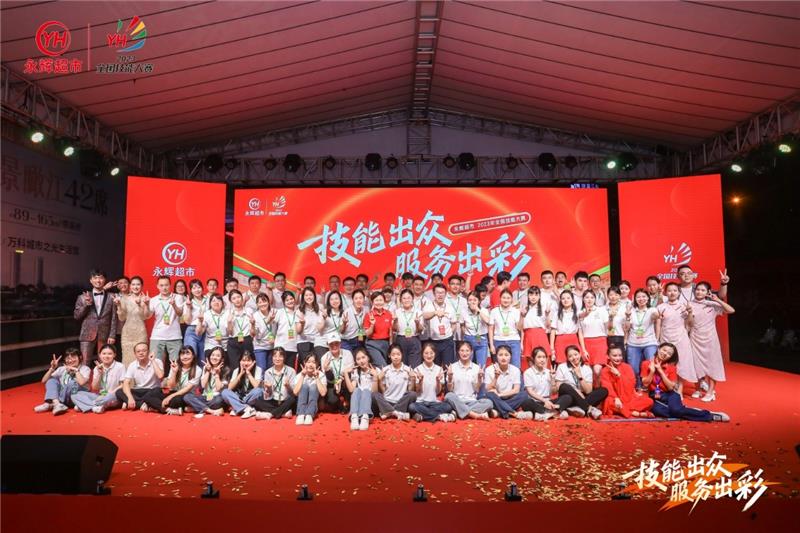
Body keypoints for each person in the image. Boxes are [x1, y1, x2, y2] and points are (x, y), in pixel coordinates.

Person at [642, 343, 729, 422]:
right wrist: (652, 371)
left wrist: (660, 371)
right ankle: (687, 410)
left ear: (670, 357)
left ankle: (710, 415)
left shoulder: (671, 367)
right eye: (664, 350)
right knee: (661, 411)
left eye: (669, 353)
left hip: (670, 394)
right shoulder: (646, 364)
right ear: (658, 349)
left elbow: (670, 387)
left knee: (676, 411)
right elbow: (645, 384)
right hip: (654, 395)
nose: (665, 354)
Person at [688, 282, 735, 402]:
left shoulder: (712, 304)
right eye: (698, 289)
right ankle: (698, 389)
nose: (699, 292)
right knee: (696, 365)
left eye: (703, 290)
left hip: (710, 339)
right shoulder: (689, 304)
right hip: (695, 338)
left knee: (712, 365)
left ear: (707, 292)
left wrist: (718, 300)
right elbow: (689, 323)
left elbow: (731, 310)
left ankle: (710, 392)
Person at [74, 269, 118, 364]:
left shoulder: (112, 296)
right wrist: (86, 305)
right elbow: (77, 316)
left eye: (101, 278)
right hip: (87, 334)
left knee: (105, 362)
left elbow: (114, 317)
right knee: (85, 361)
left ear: (105, 280)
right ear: (91, 280)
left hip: (105, 334)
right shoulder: (82, 297)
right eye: (95, 278)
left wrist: (112, 335)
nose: (98, 280)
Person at [656, 283, 694, 393]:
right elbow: (658, 325)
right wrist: (657, 339)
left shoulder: (684, 306)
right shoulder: (660, 307)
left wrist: (690, 312)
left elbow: (690, 323)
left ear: (679, 292)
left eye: (675, 290)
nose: (672, 293)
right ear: (665, 293)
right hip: (666, 338)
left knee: (681, 363)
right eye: (669, 291)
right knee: (667, 363)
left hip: (681, 338)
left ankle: (680, 389)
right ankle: (668, 387)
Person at [553, 345, 608, 419]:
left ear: (580, 354)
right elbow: (559, 386)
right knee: (564, 386)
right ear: (567, 358)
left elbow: (588, 391)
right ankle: (587, 408)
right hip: (568, 395)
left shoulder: (586, 368)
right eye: (570, 356)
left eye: (576, 354)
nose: (574, 358)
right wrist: (575, 391)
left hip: (583, 395)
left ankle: (576, 408)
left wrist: (580, 376)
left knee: (603, 391)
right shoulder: (562, 367)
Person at [600, 345, 653, 418]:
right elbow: (607, 388)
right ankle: (635, 413)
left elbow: (631, 385)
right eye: (614, 356)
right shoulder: (605, 370)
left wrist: (619, 375)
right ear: (608, 356)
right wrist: (616, 398)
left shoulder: (627, 367)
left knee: (649, 401)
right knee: (609, 402)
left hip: (629, 398)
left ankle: (624, 410)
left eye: (620, 355)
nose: (618, 358)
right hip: (614, 399)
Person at [444, 342, 494, 420]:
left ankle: (458, 411)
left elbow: (476, 389)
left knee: (489, 403)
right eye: (462, 350)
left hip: (472, 401)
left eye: (467, 351)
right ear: (458, 352)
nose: (464, 353)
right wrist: (450, 377)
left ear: (471, 352)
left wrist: (479, 378)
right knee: (449, 395)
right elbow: (450, 389)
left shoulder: (476, 368)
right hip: (457, 400)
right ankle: (474, 414)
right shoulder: (452, 367)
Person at [34, 347, 90, 415]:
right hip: (64, 397)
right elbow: (44, 381)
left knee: (72, 383)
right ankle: (57, 404)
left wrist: (75, 371)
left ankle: (51, 404)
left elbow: (82, 382)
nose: (70, 360)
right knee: (51, 380)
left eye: (73, 357)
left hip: (76, 397)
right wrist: (52, 368)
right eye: (68, 358)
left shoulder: (85, 369)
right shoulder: (62, 369)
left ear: (80, 357)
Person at [150, 345, 203, 416]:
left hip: (186, 395)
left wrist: (170, 397)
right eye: (182, 354)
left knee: (176, 400)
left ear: (193, 356)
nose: (185, 357)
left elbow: (187, 389)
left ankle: (156, 406)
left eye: (188, 354)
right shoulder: (175, 365)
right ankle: (169, 410)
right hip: (173, 392)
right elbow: (170, 386)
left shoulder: (197, 369)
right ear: (179, 357)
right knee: (152, 393)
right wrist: (174, 372)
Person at [408, 342, 455, 422]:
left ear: (435, 354)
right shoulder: (417, 369)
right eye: (426, 353)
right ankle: (439, 416)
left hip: (434, 403)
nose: (429, 356)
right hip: (421, 402)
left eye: (431, 353)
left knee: (448, 407)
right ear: (422, 354)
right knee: (411, 407)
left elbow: (438, 392)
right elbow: (418, 391)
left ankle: (422, 416)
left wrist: (438, 381)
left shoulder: (439, 369)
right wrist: (420, 381)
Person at [72, 344, 126, 413]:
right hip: (100, 396)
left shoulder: (120, 366)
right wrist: (100, 374)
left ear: (114, 355)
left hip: (113, 395)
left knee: (109, 398)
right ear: (100, 355)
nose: (106, 356)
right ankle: (96, 406)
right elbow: (95, 388)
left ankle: (86, 405)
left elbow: (123, 385)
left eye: (109, 354)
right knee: (76, 395)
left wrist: (110, 393)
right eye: (104, 354)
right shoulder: (96, 368)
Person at [143, 275, 184, 365]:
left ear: (170, 285)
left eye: (166, 285)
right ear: (157, 286)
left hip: (174, 336)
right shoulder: (154, 300)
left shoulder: (178, 297)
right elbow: (147, 316)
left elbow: (180, 313)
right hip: (157, 336)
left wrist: (174, 305)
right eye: (161, 285)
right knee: (155, 363)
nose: (164, 288)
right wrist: (146, 304)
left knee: (176, 363)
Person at [626, 289, 660, 390]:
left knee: (651, 366)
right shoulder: (631, 311)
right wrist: (627, 316)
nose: (641, 299)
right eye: (638, 297)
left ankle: (653, 387)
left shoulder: (652, 309)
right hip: (633, 343)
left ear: (648, 298)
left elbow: (655, 316)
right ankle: (638, 384)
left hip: (649, 342)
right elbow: (627, 328)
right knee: (634, 368)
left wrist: (657, 315)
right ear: (635, 299)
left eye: (644, 296)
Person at [115, 342, 165, 411]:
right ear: (135, 354)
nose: (141, 353)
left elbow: (160, 376)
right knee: (119, 392)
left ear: (148, 352)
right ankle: (142, 404)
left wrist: (152, 360)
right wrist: (130, 398)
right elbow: (126, 383)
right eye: (138, 351)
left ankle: (134, 403)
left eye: (144, 351)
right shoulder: (132, 365)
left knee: (156, 392)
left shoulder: (157, 361)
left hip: (153, 390)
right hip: (139, 390)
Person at [373, 344, 417, 421]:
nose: (396, 357)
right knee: (374, 394)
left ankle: (388, 412)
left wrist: (413, 379)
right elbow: (383, 391)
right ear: (389, 356)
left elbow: (410, 390)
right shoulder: (385, 370)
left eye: (398, 354)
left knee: (413, 394)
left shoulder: (408, 369)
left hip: (401, 402)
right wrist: (379, 379)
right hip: (387, 401)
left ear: (402, 355)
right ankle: (396, 413)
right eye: (393, 355)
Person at [484, 345, 529, 419]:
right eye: (500, 355)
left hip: (509, 397)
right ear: (496, 356)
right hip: (495, 398)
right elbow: (487, 389)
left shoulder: (515, 370)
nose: (503, 358)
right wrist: (496, 377)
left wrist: (500, 395)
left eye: (506, 355)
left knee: (524, 395)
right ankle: (513, 413)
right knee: (489, 395)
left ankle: (499, 411)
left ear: (510, 356)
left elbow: (516, 390)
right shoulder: (489, 369)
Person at [183, 346, 230, 418]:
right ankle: (211, 411)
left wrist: (217, 374)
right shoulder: (205, 367)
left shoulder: (226, 370)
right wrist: (208, 371)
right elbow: (203, 385)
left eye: (218, 356)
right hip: (205, 396)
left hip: (216, 397)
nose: (214, 357)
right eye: (213, 355)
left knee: (219, 401)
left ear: (222, 359)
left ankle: (196, 408)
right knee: (187, 397)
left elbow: (218, 388)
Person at [253, 348, 297, 420]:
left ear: (284, 358)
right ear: (272, 357)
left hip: (286, 400)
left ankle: (270, 414)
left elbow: (293, 393)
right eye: (275, 356)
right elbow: (268, 396)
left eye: (280, 356)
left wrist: (288, 386)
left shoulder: (291, 371)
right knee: (257, 402)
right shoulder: (268, 372)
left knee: (293, 399)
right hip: (274, 401)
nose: (277, 359)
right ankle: (283, 412)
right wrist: (268, 388)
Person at [114, 275, 147, 366]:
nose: (135, 287)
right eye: (133, 284)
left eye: (138, 284)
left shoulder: (145, 299)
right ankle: (127, 375)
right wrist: (119, 306)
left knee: (141, 357)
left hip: (140, 332)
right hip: (127, 333)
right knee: (127, 357)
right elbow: (121, 318)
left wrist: (141, 304)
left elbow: (145, 317)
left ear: (142, 286)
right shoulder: (124, 299)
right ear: (130, 286)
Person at [423, 284, 459, 367]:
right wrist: (435, 313)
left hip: (447, 341)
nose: (440, 295)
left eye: (442, 293)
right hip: (433, 341)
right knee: (435, 367)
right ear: (434, 293)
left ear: (445, 294)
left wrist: (449, 333)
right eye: (438, 293)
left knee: (448, 367)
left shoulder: (450, 308)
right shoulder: (428, 306)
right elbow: (425, 316)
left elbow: (454, 324)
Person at [519, 347, 559, 420]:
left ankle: (541, 412)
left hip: (548, 401)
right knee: (526, 402)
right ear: (533, 359)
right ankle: (549, 411)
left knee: (567, 397)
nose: (542, 360)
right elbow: (530, 391)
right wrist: (544, 401)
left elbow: (554, 392)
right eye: (539, 357)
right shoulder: (528, 373)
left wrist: (553, 379)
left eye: (544, 357)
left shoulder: (549, 372)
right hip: (536, 401)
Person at [579, 291, 610, 384]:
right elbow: (580, 333)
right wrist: (583, 350)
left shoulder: (601, 310)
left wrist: (611, 318)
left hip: (600, 342)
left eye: (592, 297)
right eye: (587, 297)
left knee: (597, 370)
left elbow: (608, 327)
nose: (589, 300)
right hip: (587, 343)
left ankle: (599, 390)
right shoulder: (580, 313)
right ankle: (592, 391)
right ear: (583, 299)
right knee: (589, 372)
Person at [221, 350, 263, 419]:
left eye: (248, 361)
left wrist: (248, 373)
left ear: (253, 361)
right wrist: (240, 374)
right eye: (243, 360)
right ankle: (247, 409)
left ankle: (237, 407)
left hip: (250, 397)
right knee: (225, 392)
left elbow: (256, 386)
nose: (246, 363)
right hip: (238, 396)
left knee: (259, 391)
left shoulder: (258, 369)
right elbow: (230, 388)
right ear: (240, 361)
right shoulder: (236, 370)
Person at [344, 348, 378, 430]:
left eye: (363, 357)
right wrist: (345, 374)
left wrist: (375, 377)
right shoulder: (356, 372)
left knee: (366, 391)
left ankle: (365, 417)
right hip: (358, 403)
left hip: (370, 403)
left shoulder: (375, 370)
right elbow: (351, 390)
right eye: (358, 359)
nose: (361, 361)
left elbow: (375, 392)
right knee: (356, 390)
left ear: (368, 357)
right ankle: (354, 417)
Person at [548, 290, 586, 365]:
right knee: (561, 364)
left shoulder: (577, 313)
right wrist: (552, 348)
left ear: (572, 300)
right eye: (563, 298)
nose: (566, 300)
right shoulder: (557, 313)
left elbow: (580, 332)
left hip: (573, 340)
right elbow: (553, 331)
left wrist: (583, 349)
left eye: (568, 298)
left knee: (575, 363)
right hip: (560, 341)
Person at [320, 333, 354, 413]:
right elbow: (328, 380)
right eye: (331, 344)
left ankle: (347, 402)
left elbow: (350, 371)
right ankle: (340, 404)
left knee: (348, 378)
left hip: (345, 381)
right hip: (332, 383)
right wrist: (327, 370)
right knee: (332, 401)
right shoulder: (324, 358)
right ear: (327, 345)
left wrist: (340, 380)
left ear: (340, 343)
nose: (334, 346)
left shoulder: (348, 354)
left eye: (336, 343)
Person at [488, 289, 522, 367]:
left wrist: (522, 317)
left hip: (513, 341)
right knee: (499, 367)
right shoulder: (494, 311)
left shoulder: (516, 311)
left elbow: (520, 328)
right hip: (498, 341)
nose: (506, 300)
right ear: (500, 298)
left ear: (511, 299)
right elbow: (490, 329)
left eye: (508, 298)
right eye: (504, 298)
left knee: (515, 366)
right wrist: (491, 345)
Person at [292, 354, 327, 425]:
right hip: (301, 402)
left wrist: (317, 377)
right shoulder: (299, 375)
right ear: (304, 363)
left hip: (315, 402)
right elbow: (295, 392)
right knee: (304, 386)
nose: (311, 365)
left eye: (313, 362)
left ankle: (309, 415)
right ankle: (301, 414)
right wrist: (302, 376)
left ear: (317, 364)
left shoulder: (321, 375)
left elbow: (323, 393)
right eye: (308, 362)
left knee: (313, 386)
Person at [521, 287, 550, 371]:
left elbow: (548, 326)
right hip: (528, 336)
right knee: (530, 361)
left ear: (539, 296)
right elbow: (521, 328)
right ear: (528, 296)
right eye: (531, 294)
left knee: (543, 359)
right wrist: (521, 342)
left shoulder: (544, 308)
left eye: (536, 294)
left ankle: (545, 378)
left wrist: (547, 315)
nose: (533, 297)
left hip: (540, 335)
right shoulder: (524, 308)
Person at [393, 289, 423, 368]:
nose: (406, 300)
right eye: (404, 298)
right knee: (401, 366)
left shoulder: (418, 312)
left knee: (414, 366)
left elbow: (420, 330)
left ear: (412, 299)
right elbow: (395, 329)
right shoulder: (397, 312)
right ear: (401, 300)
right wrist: (395, 321)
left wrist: (417, 323)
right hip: (401, 339)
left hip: (414, 339)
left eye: (409, 298)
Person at [225, 289, 254, 369]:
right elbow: (229, 332)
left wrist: (253, 323)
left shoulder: (249, 311)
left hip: (247, 340)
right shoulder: (228, 313)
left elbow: (253, 333)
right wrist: (229, 322)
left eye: (238, 297)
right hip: (233, 342)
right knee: (235, 367)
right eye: (234, 298)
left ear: (242, 297)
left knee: (248, 366)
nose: (237, 300)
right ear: (231, 301)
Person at [273, 291, 303, 368]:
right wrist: (271, 337)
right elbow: (271, 326)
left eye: (291, 299)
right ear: (283, 302)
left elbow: (299, 330)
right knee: (279, 368)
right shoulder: (280, 312)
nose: (290, 301)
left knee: (290, 370)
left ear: (294, 299)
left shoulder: (298, 313)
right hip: (280, 346)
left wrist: (302, 323)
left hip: (293, 347)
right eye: (287, 300)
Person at [364, 292, 393, 367]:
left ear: (384, 301)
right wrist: (372, 324)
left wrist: (391, 345)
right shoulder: (368, 315)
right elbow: (367, 334)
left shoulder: (388, 314)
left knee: (386, 365)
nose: (379, 302)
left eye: (381, 300)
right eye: (376, 300)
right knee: (382, 366)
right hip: (372, 344)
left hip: (386, 344)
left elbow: (391, 331)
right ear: (372, 302)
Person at [196, 294, 229, 362]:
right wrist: (200, 322)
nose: (216, 302)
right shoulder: (206, 314)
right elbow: (198, 333)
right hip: (211, 345)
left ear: (222, 303)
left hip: (226, 346)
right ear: (210, 304)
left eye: (219, 300)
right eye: (213, 301)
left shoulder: (228, 313)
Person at [463, 291, 491, 367]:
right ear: (467, 301)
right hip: (468, 339)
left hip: (481, 339)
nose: (472, 302)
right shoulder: (464, 311)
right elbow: (462, 325)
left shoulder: (484, 310)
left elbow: (488, 321)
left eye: (475, 300)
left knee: (481, 366)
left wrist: (478, 310)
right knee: (467, 365)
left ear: (479, 301)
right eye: (470, 300)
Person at [297, 287, 325, 362]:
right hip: (303, 342)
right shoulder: (299, 309)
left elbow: (321, 327)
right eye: (306, 295)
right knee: (307, 364)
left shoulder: (320, 307)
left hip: (317, 342)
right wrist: (302, 324)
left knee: (317, 364)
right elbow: (298, 331)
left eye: (310, 295)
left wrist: (324, 318)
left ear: (314, 296)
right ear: (303, 297)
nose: (308, 297)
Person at [182, 279, 207, 364]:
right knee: (190, 357)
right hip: (192, 331)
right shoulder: (188, 302)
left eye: (199, 287)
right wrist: (189, 307)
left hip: (206, 331)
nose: (197, 290)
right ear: (191, 290)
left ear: (202, 288)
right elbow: (187, 321)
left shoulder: (208, 300)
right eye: (194, 288)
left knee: (203, 360)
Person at [252, 294, 276, 371]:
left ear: (268, 302)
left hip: (273, 346)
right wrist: (268, 321)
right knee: (261, 369)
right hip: (260, 346)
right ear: (257, 304)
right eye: (260, 302)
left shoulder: (274, 312)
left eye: (264, 301)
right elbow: (257, 335)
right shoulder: (255, 316)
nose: (262, 304)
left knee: (271, 370)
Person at [341, 289, 367, 354]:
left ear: (364, 299)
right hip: (346, 340)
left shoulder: (366, 310)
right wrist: (344, 323)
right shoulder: (347, 312)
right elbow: (341, 331)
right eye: (356, 298)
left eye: (360, 298)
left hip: (359, 338)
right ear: (352, 300)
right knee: (350, 356)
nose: (358, 300)